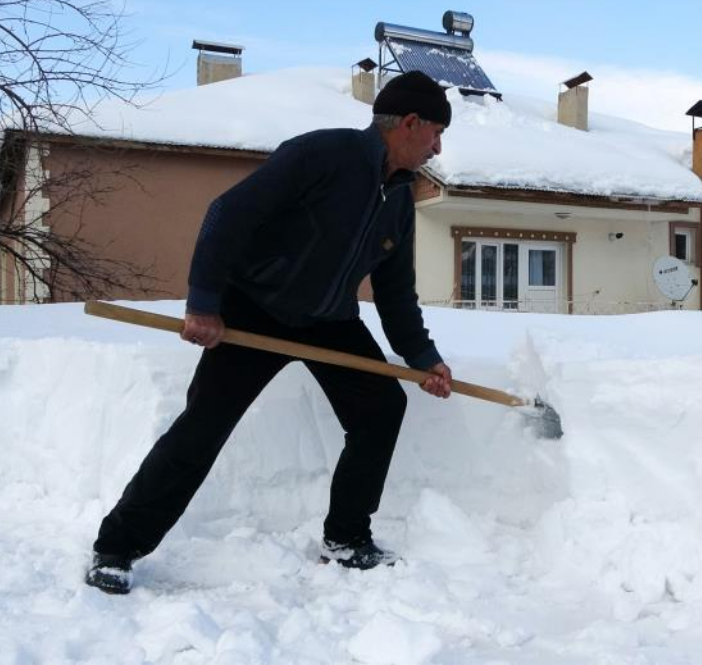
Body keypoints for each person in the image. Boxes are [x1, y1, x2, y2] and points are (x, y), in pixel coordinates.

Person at [84, 70, 454, 594]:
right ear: (409, 123)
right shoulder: (324, 155)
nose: (438, 147)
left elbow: (395, 292)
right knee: (202, 428)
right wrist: (205, 302)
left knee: (381, 408)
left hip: (329, 320)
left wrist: (422, 356)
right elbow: (227, 213)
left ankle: (346, 539)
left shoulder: (399, 198)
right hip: (256, 310)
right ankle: (116, 548)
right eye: (436, 132)